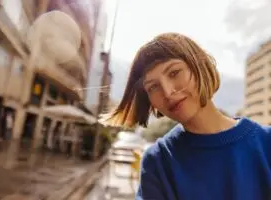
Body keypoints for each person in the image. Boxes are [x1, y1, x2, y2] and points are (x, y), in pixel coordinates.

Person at [103, 33, 271, 199]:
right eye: (153, 87)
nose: (168, 92)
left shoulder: (266, 143)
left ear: (200, 65)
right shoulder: (158, 162)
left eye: (174, 73)